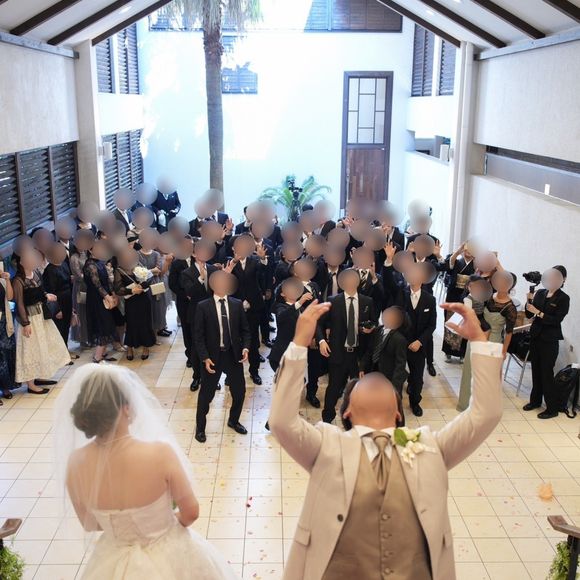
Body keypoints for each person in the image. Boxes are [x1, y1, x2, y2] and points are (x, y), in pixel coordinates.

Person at [269, 301, 503, 580]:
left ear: (397, 413)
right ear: (347, 411)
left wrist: (479, 342)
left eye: (384, 386)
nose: (377, 380)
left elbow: (485, 414)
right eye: (365, 384)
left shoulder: (430, 447)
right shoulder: (326, 446)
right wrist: (299, 343)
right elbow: (282, 422)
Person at [54, 363, 238, 580]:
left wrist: (121, 528)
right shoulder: (160, 454)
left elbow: (90, 523)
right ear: (125, 408)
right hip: (170, 554)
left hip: (112, 560)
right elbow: (191, 512)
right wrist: (158, 523)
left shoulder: (75, 464)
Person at [193, 271, 250, 444]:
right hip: (212, 357)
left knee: (239, 392)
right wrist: (204, 358)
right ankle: (200, 428)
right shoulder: (203, 306)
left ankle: (233, 420)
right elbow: (198, 336)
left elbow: (245, 331)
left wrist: (246, 348)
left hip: (233, 356)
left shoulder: (237, 304)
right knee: (206, 395)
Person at [383, 245, 437, 417]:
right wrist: (389, 259)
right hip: (399, 341)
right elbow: (388, 281)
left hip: (418, 345)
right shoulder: (400, 291)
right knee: (395, 374)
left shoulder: (430, 300)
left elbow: (432, 325)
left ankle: (415, 402)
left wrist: (420, 341)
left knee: (417, 377)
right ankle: (392, 403)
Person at [318, 269, 376, 423]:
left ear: (358, 281)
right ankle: (327, 418)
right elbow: (319, 323)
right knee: (333, 387)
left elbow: (373, 323)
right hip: (338, 351)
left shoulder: (367, 301)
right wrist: (321, 341)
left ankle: (356, 418)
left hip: (358, 354)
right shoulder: (333, 301)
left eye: (353, 278)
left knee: (359, 389)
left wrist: (370, 329)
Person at [457, 270, 517, 412]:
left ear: (510, 285)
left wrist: (504, 351)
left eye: (505, 282)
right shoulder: (488, 296)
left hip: (493, 341)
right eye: (499, 281)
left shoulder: (510, 307)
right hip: (476, 337)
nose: (501, 284)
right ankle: (465, 404)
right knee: (469, 370)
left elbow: (509, 332)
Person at [13, 249, 71, 394]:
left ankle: (38, 376)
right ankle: (31, 384)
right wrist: (25, 323)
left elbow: (40, 291)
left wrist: (46, 295)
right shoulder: (18, 280)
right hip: (29, 318)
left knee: (43, 346)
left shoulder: (36, 273)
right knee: (31, 349)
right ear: (22, 262)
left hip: (41, 316)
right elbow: (19, 303)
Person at [524, 266, 570, 419]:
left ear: (563, 279)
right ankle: (535, 401)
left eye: (557, 277)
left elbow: (556, 320)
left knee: (546, 373)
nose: (553, 279)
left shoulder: (563, 298)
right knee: (535, 370)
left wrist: (538, 312)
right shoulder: (541, 293)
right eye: (551, 276)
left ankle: (552, 409)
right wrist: (529, 300)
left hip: (550, 340)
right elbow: (529, 314)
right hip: (536, 336)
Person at [227, 234, 268, 385]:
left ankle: (254, 372)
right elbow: (224, 281)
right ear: (233, 248)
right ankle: (231, 374)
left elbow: (263, 271)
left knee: (253, 341)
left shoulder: (255, 261)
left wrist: (263, 259)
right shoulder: (228, 262)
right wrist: (232, 265)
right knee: (233, 341)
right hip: (234, 307)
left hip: (254, 306)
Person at [181, 240, 218, 391]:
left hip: (212, 313)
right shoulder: (187, 273)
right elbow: (190, 292)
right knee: (197, 348)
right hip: (195, 314)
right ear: (194, 254)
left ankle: (212, 377)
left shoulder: (213, 269)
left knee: (213, 346)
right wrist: (201, 278)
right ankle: (196, 377)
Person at [114, 248, 156, 361]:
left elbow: (150, 277)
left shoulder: (139, 265)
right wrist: (132, 290)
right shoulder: (119, 270)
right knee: (131, 323)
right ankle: (130, 347)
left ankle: (146, 347)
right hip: (131, 301)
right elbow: (118, 289)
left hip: (144, 299)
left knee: (145, 323)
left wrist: (142, 286)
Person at [360, 305, 409, 397]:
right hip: (373, 372)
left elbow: (400, 365)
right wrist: (362, 367)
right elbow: (369, 351)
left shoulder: (399, 339)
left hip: (388, 376)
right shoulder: (377, 330)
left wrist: (394, 387)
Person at [83, 241, 119, 364]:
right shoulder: (90, 265)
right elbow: (96, 285)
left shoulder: (101, 262)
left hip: (105, 297)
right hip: (96, 300)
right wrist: (107, 297)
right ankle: (97, 357)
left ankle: (102, 354)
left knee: (108, 325)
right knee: (103, 326)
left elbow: (108, 281)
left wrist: (113, 294)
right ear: (90, 250)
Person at [442, 242, 475, 362]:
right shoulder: (456, 261)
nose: (468, 252)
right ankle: (448, 351)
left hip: (467, 296)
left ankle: (462, 353)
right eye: (466, 249)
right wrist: (458, 251)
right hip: (453, 295)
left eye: (471, 250)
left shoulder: (476, 264)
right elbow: (449, 264)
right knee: (451, 322)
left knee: (465, 322)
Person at [138, 229, 170, 337]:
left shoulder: (156, 254)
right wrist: (151, 271)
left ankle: (157, 331)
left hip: (156, 284)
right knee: (147, 309)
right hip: (143, 285)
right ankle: (148, 333)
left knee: (159, 308)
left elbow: (159, 270)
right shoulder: (137, 254)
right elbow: (138, 272)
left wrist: (147, 271)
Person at [42, 242, 74, 352]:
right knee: (60, 327)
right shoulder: (49, 270)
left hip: (68, 300)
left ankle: (66, 350)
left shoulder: (64, 264)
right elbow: (51, 291)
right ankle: (61, 353)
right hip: (59, 302)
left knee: (66, 327)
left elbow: (68, 282)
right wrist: (57, 309)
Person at [168, 237, 194, 367]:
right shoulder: (176, 263)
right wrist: (186, 295)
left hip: (199, 301)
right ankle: (190, 355)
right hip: (184, 302)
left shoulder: (198, 259)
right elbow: (172, 284)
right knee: (187, 328)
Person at [70, 230, 95, 348]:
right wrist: (91, 276)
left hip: (90, 286)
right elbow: (78, 275)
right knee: (81, 311)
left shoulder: (88, 254)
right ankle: (82, 338)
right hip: (81, 288)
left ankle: (91, 336)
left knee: (90, 311)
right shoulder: (74, 257)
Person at [0, 269, 16, 401]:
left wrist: (7, 280)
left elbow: (10, 297)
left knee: (6, 353)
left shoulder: (2, 280)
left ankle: (5, 387)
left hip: (4, 320)